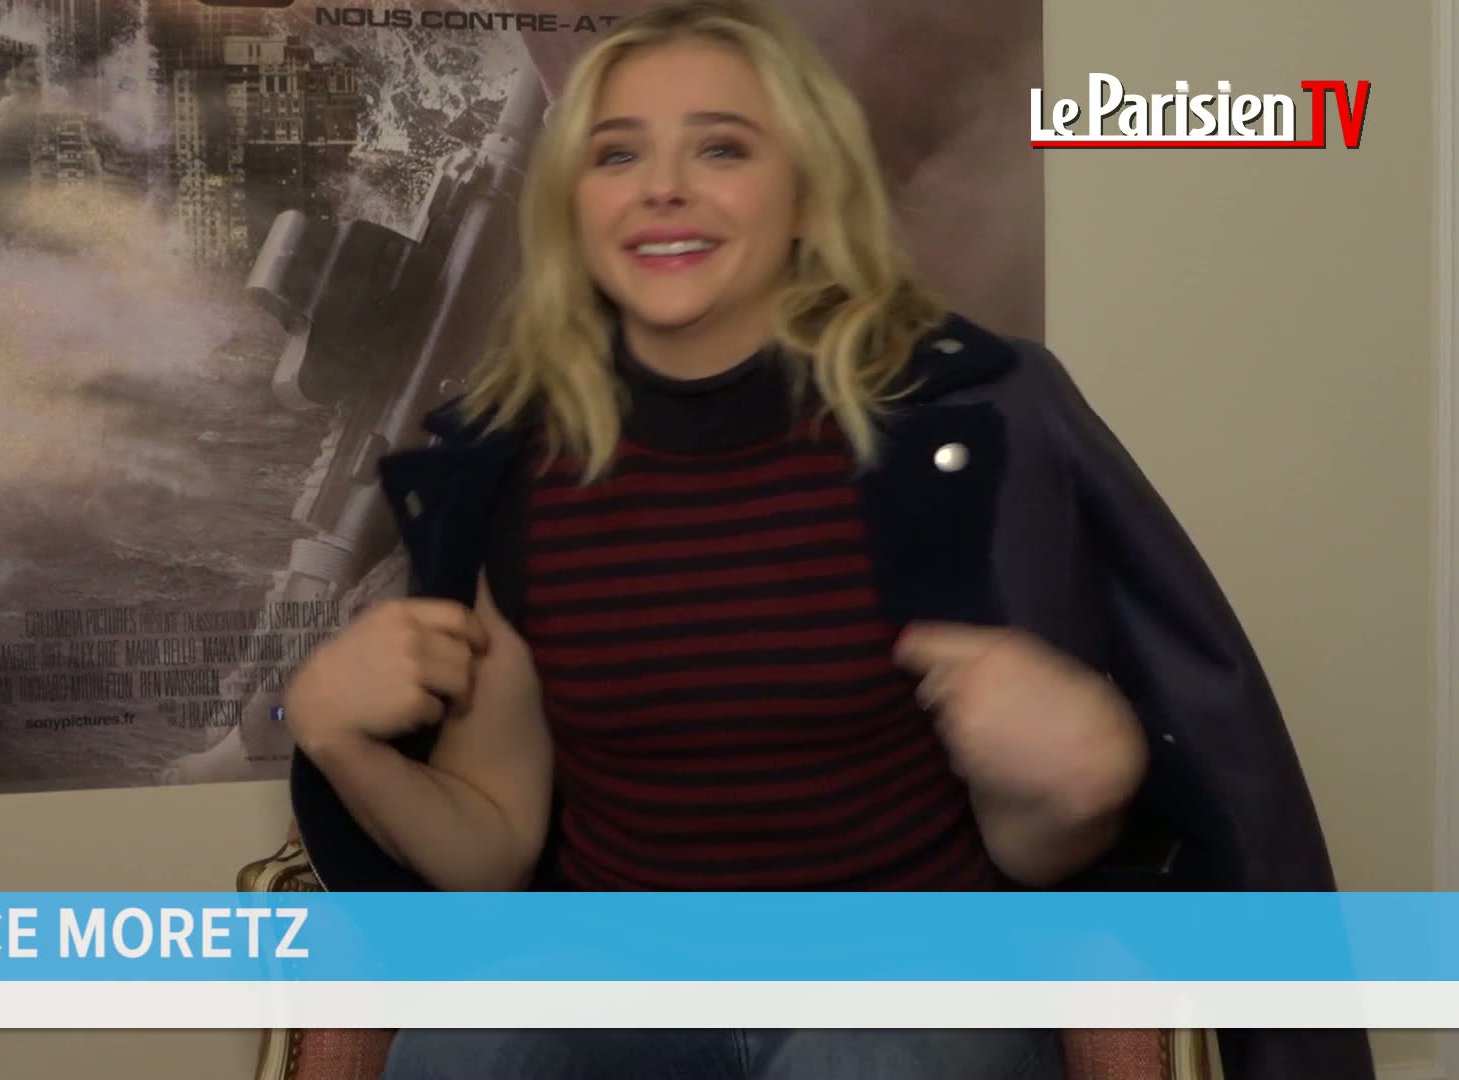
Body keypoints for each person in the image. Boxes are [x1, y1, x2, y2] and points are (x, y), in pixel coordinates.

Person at [279, 1, 1374, 1078]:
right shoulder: (520, 467)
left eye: (721, 147)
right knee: (467, 1049)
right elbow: (491, 842)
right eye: (618, 154)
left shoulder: (956, 428)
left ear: (806, 193)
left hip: (914, 984)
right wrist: (342, 740)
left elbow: (1037, 853)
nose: (663, 185)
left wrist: (1080, 779)